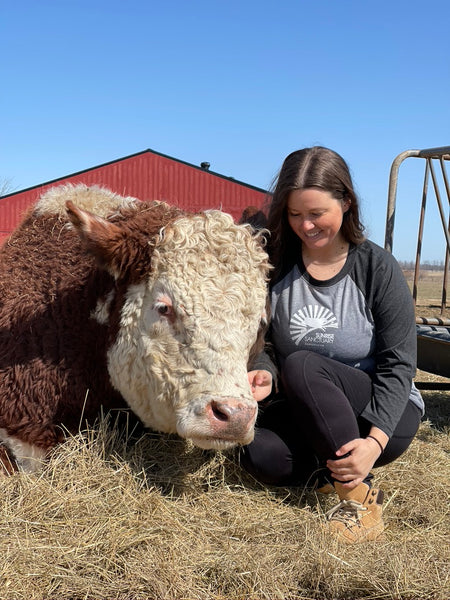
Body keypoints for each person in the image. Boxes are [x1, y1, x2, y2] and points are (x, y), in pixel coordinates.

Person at [244, 146, 424, 544]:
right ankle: (332, 470)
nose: (305, 226)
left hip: (381, 413)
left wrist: (373, 444)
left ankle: (359, 499)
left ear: (346, 202)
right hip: (310, 409)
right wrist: (266, 372)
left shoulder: (376, 267)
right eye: (294, 214)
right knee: (258, 453)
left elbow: (399, 366)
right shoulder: (277, 268)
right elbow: (268, 345)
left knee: (305, 365)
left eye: (316, 213)